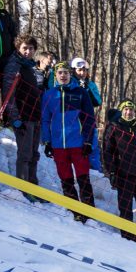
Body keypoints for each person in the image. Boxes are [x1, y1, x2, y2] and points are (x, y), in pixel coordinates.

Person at [41, 62, 96, 221]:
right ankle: (75, 212)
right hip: (58, 145)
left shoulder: (80, 93)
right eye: (60, 73)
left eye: (66, 72)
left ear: (70, 74)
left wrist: (88, 141)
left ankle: (90, 212)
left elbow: (89, 119)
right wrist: (47, 141)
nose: (63, 75)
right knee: (65, 178)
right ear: (55, 75)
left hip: (78, 144)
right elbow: (45, 120)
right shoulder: (49, 94)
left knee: (83, 178)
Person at [2, 34, 48, 199]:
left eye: (31, 48)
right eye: (24, 48)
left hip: (35, 116)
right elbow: (8, 93)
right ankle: (22, 188)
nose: (28, 51)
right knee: (25, 154)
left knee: (35, 154)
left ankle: (32, 186)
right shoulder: (15, 65)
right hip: (23, 117)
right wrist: (15, 117)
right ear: (18, 48)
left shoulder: (30, 67)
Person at [103, 101, 136, 243]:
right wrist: (111, 171)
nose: (128, 112)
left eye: (131, 110)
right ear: (121, 111)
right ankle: (128, 235)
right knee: (125, 206)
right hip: (123, 173)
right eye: (125, 109)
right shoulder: (114, 127)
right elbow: (107, 151)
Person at [70, 57, 102, 171]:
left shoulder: (90, 84)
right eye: (79, 70)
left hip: (88, 120)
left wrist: (87, 89)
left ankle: (96, 172)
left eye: (84, 70)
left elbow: (98, 101)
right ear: (74, 70)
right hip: (73, 121)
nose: (82, 73)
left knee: (92, 147)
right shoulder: (69, 82)